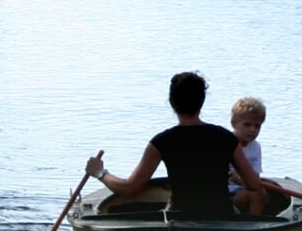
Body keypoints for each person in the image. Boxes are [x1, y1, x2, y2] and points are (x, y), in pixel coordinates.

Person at [86, 71, 263, 218]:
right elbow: (254, 186)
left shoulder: (161, 142)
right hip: (222, 215)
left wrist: (100, 173)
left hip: (179, 217)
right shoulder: (226, 138)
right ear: (201, 101)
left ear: (172, 103)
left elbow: (130, 189)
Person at [226, 97, 266, 215]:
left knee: (259, 193)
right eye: (247, 125)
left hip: (242, 191)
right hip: (224, 194)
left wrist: (240, 180)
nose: (253, 130)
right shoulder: (225, 142)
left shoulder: (256, 147)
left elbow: (255, 180)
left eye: (257, 126)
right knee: (258, 193)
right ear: (234, 123)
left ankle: (254, 224)